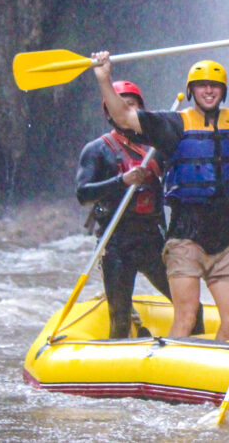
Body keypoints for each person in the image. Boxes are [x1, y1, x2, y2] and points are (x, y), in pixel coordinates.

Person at [92, 27, 229, 342]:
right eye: (202, 86)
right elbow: (124, 115)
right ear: (191, 90)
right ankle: (169, 378)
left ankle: (208, 376)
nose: (209, 91)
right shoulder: (172, 126)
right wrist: (104, 78)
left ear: (222, 91)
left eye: (215, 86)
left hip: (224, 240)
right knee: (186, 317)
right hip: (185, 239)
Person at [74, 79, 170, 339]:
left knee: (189, 305)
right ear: (108, 112)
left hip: (152, 239)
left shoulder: (157, 149)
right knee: (120, 317)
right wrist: (121, 181)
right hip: (115, 241)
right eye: (121, 106)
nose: (126, 110)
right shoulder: (97, 150)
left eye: (132, 106)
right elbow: (83, 194)